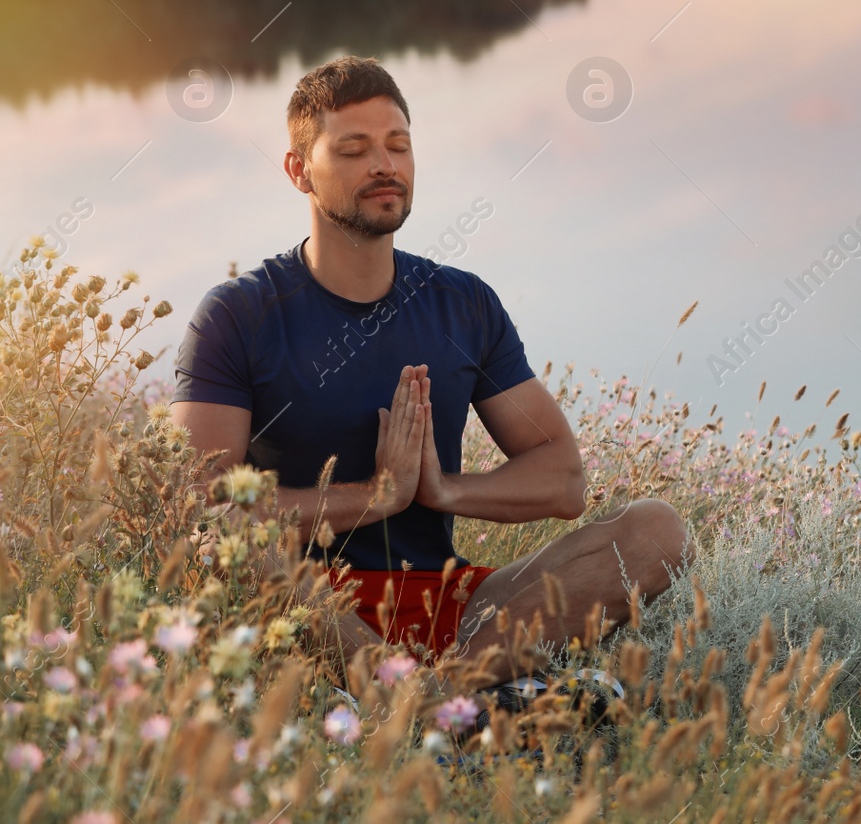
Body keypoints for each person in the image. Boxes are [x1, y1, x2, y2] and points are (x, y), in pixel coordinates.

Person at [171, 55, 691, 711]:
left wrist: (443, 489)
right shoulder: (238, 314)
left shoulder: (462, 304)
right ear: (299, 169)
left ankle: (425, 696)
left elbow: (562, 479)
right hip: (305, 610)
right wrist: (370, 497)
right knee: (219, 539)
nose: (384, 165)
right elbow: (196, 508)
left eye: (398, 145)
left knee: (657, 530)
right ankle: (428, 701)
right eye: (354, 149)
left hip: (454, 612)